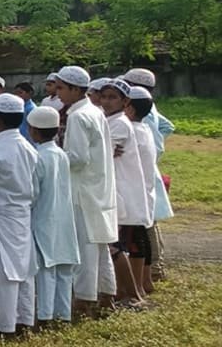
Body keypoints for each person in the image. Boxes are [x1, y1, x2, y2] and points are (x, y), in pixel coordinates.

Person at [54, 66, 118, 318]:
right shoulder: (95, 111)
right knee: (100, 246)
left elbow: (78, 158)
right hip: (97, 187)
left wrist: (51, 155)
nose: (58, 93)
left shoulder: (79, 117)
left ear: (75, 89)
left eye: (61, 88)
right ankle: (106, 295)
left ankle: (84, 300)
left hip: (83, 190)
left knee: (85, 249)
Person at [0, 93, 38, 336]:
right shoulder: (28, 148)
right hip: (23, 214)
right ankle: (25, 319)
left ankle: (6, 326)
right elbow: (35, 188)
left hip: (1, 215)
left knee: (5, 273)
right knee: (24, 270)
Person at [99, 79, 152, 306]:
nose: (107, 101)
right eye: (105, 97)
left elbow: (101, 154)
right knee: (117, 245)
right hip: (115, 190)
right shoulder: (110, 120)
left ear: (125, 101)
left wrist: (102, 149)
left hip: (120, 192)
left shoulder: (120, 123)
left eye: (113, 97)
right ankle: (126, 292)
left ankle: (132, 294)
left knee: (115, 246)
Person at [27, 106, 81, 326]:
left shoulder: (38, 157)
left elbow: (33, 192)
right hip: (63, 217)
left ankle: (45, 316)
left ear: (35, 131)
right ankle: (64, 314)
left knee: (46, 270)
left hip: (43, 216)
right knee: (63, 269)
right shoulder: (60, 154)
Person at [123, 68, 174, 281]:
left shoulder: (140, 115)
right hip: (147, 165)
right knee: (149, 220)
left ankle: (155, 267)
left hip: (142, 167)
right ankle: (155, 265)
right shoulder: (150, 108)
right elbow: (167, 126)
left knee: (147, 221)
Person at [127, 87, 164, 296]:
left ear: (129, 108)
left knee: (135, 241)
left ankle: (138, 285)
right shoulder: (145, 129)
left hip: (134, 192)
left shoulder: (131, 131)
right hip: (143, 191)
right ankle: (146, 280)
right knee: (142, 237)